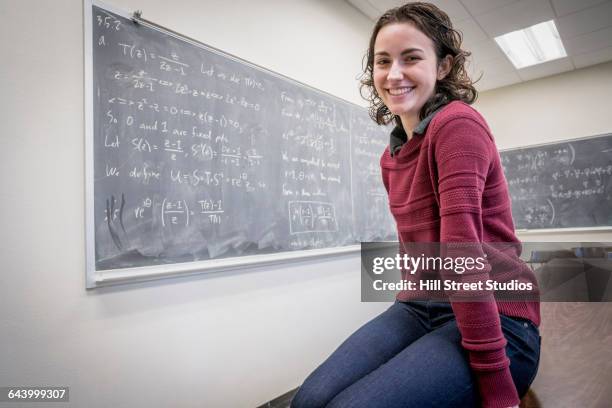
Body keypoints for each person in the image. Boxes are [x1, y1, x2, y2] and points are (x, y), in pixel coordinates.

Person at [291, 3, 541, 408]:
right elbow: (417, 255)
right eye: (382, 61)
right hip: (423, 308)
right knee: (308, 401)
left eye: (411, 58)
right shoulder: (392, 157)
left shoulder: (457, 125)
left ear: (442, 67)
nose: (393, 74)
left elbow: (463, 259)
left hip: (502, 321)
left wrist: (499, 392)